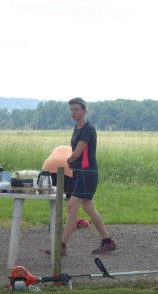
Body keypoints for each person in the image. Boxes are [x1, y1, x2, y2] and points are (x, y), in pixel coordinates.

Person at [48, 97, 117, 256]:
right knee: (88, 208)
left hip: (87, 173)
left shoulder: (88, 128)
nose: (73, 112)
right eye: (71, 109)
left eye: (77, 109)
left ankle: (61, 246)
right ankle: (107, 241)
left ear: (84, 111)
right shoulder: (77, 128)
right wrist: (72, 163)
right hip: (81, 173)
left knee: (72, 206)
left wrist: (68, 161)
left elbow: (77, 153)